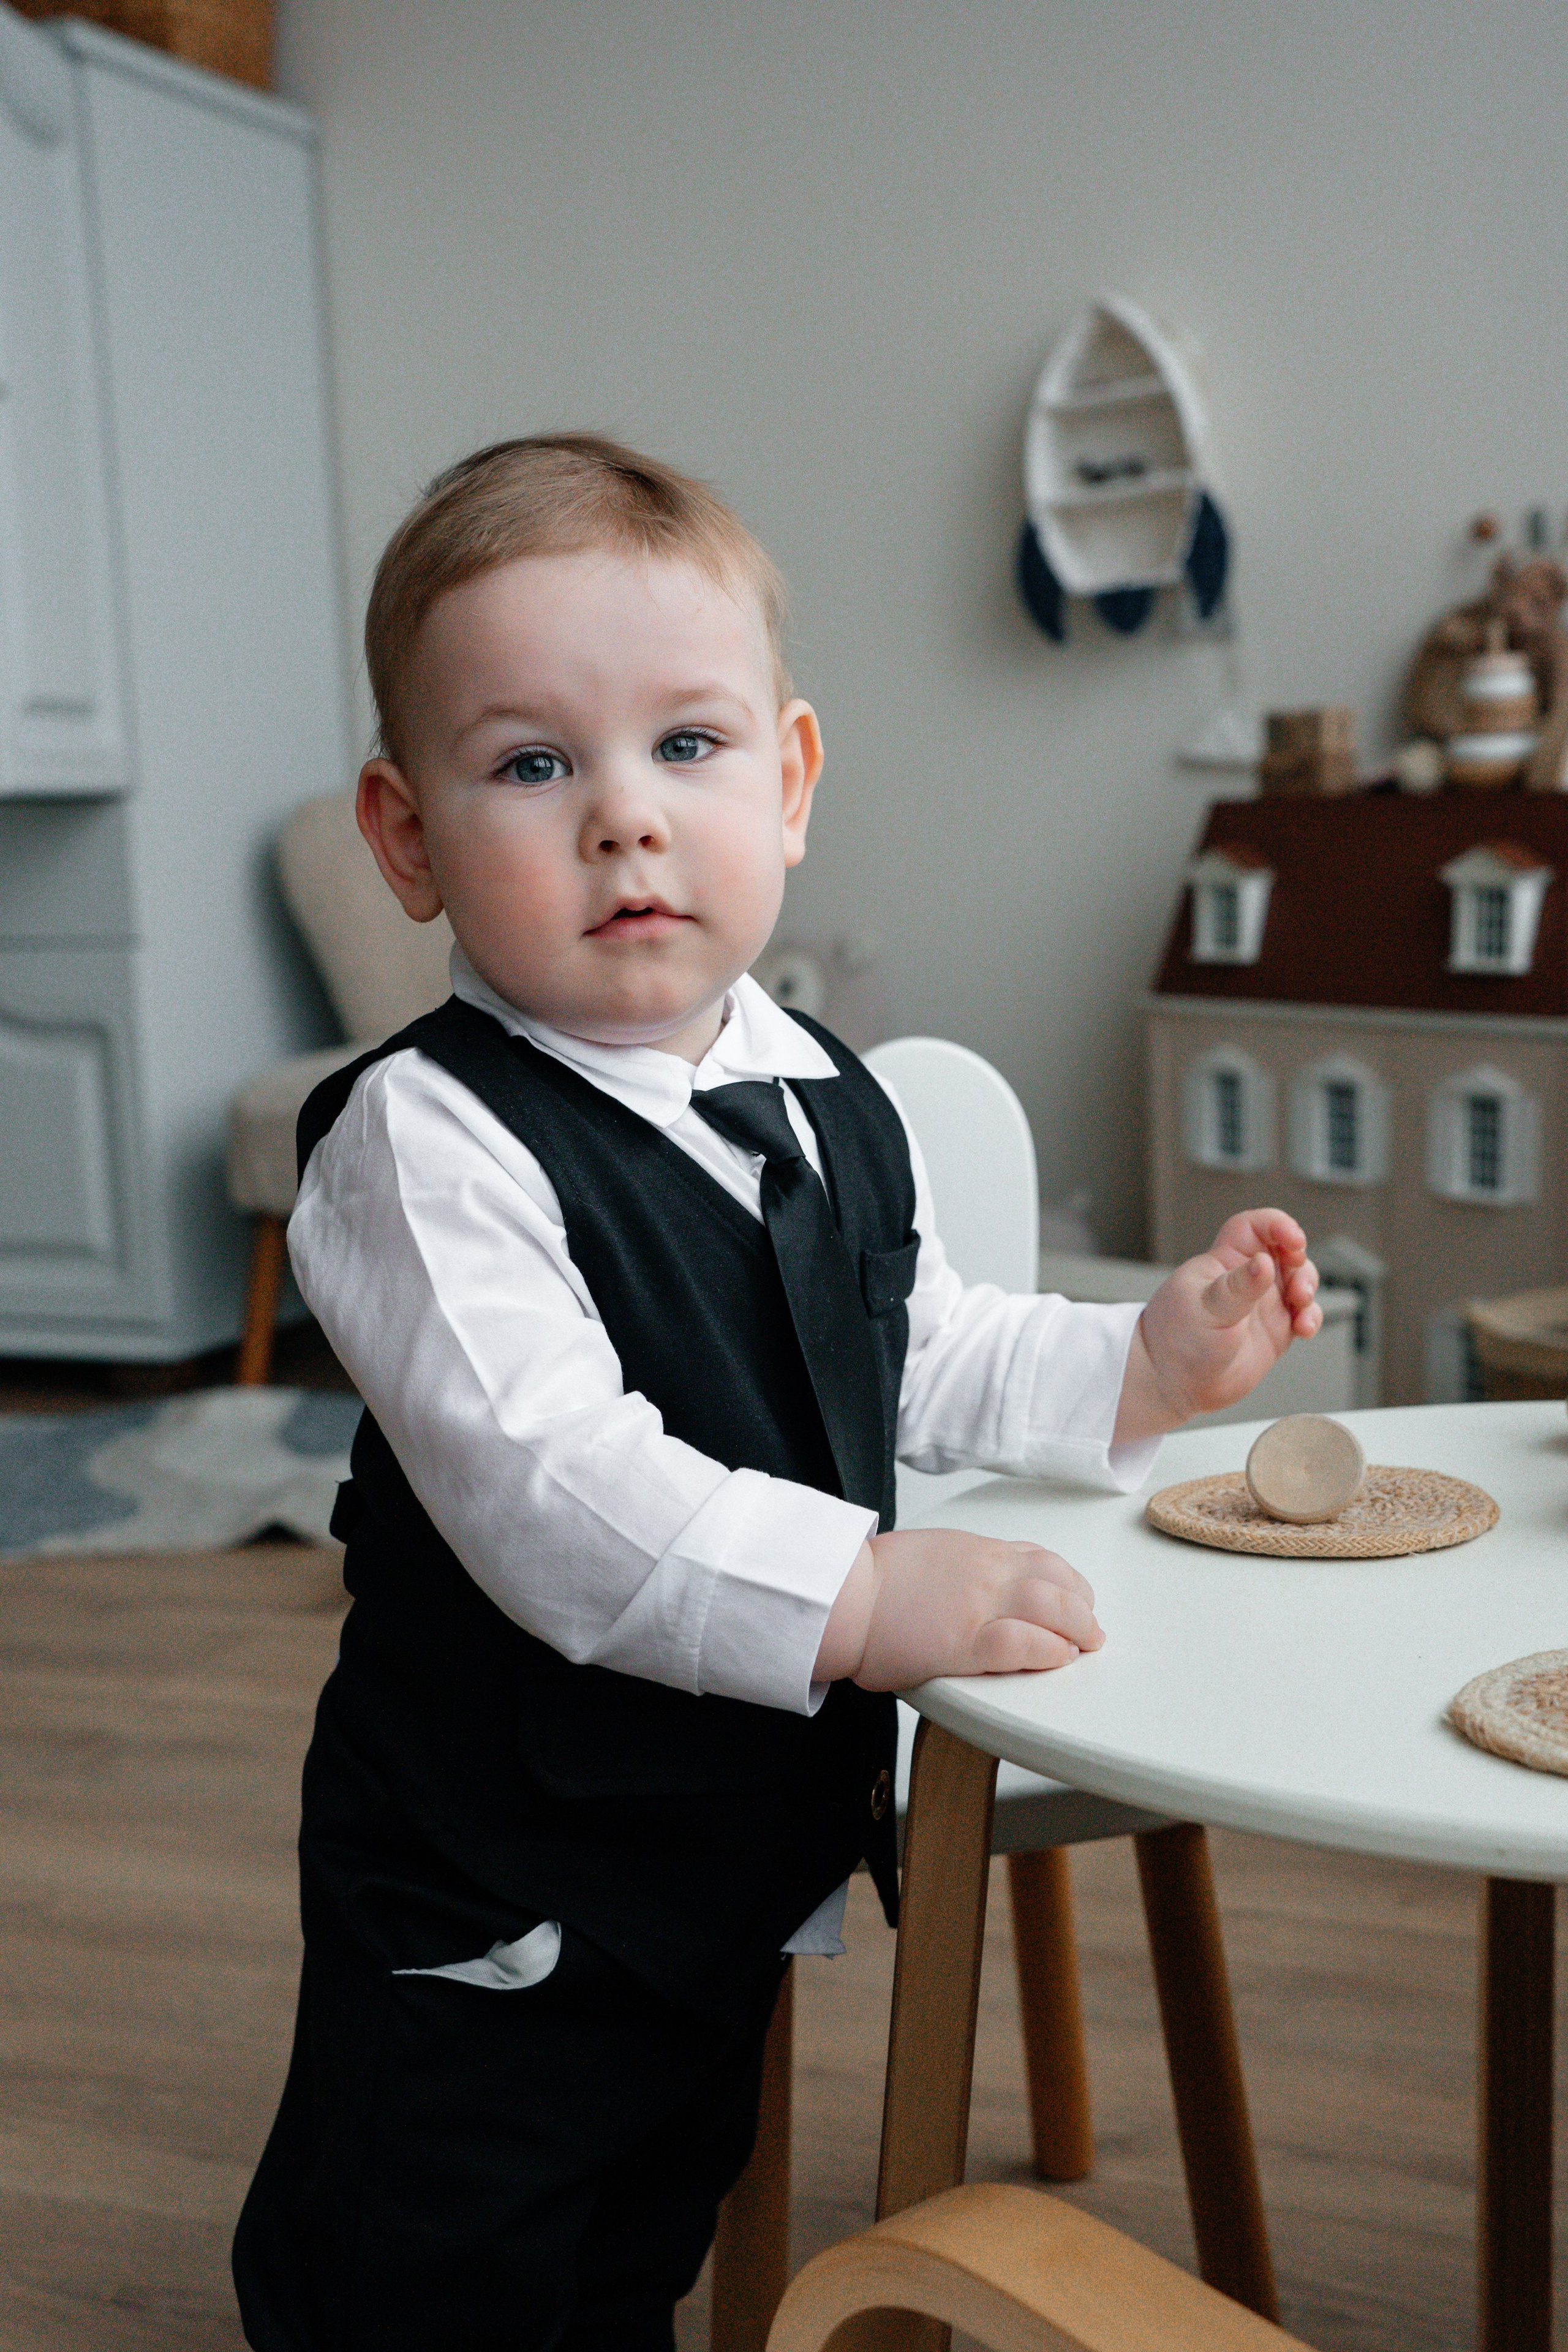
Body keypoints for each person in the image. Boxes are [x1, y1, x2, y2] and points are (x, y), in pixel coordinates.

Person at [232, 432, 1319, 2352]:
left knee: (645, 2207)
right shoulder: (423, 1144)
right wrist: (872, 1593)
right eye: (533, 764)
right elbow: (558, 1492)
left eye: (687, 748)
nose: (624, 821)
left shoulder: (821, 1084)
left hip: (712, 1850)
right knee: (444, 2236)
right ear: (406, 837)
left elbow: (919, 1341)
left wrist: (1143, 1359)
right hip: (500, 1861)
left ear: (792, 781)